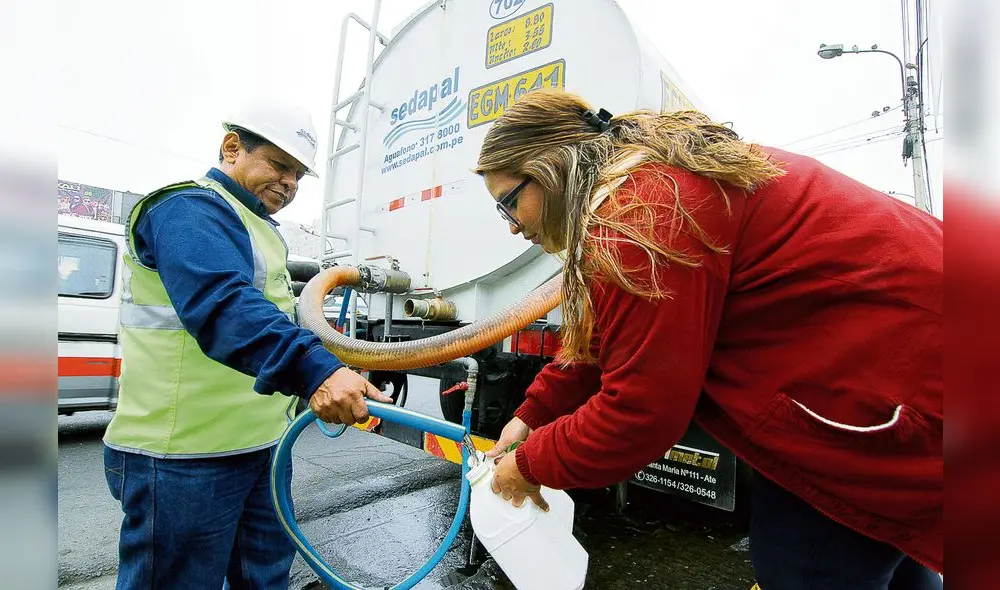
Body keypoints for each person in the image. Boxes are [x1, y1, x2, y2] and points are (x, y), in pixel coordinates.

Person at [476, 89, 942, 589]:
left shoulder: (640, 215)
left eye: (509, 204)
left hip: (911, 376)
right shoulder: (650, 183)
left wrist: (529, 465)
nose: (513, 227)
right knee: (889, 550)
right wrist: (533, 414)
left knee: (806, 569)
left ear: (549, 168)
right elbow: (600, 339)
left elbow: (640, 413)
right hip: (891, 371)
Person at [102, 100, 391, 589]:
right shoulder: (186, 210)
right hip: (182, 458)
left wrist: (324, 371)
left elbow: (274, 321)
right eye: (279, 165)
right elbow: (223, 306)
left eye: (298, 175)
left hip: (259, 450)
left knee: (264, 579)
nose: (289, 183)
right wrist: (316, 371)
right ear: (231, 148)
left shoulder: (261, 230)